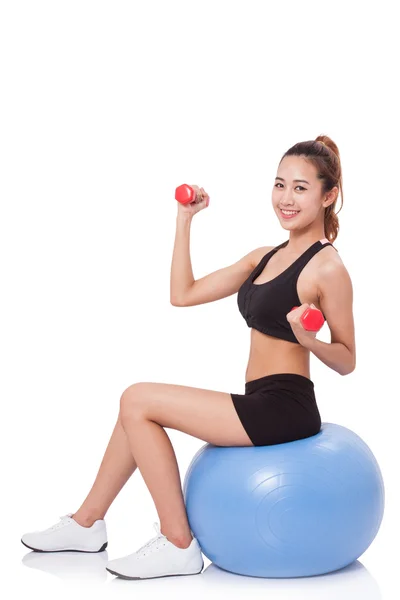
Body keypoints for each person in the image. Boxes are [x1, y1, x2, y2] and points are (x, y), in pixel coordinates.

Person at [21, 135, 356, 580]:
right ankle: (87, 524)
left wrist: (308, 338)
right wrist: (185, 220)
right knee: (133, 411)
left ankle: (178, 543)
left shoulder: (327, 268)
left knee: (138, 398)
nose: (285, 198)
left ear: (327, 195)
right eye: (279, 185)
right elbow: (184, 294)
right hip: (259, 399)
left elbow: (348, 359)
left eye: (300, 188)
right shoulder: (264, 257)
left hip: (286, 408)